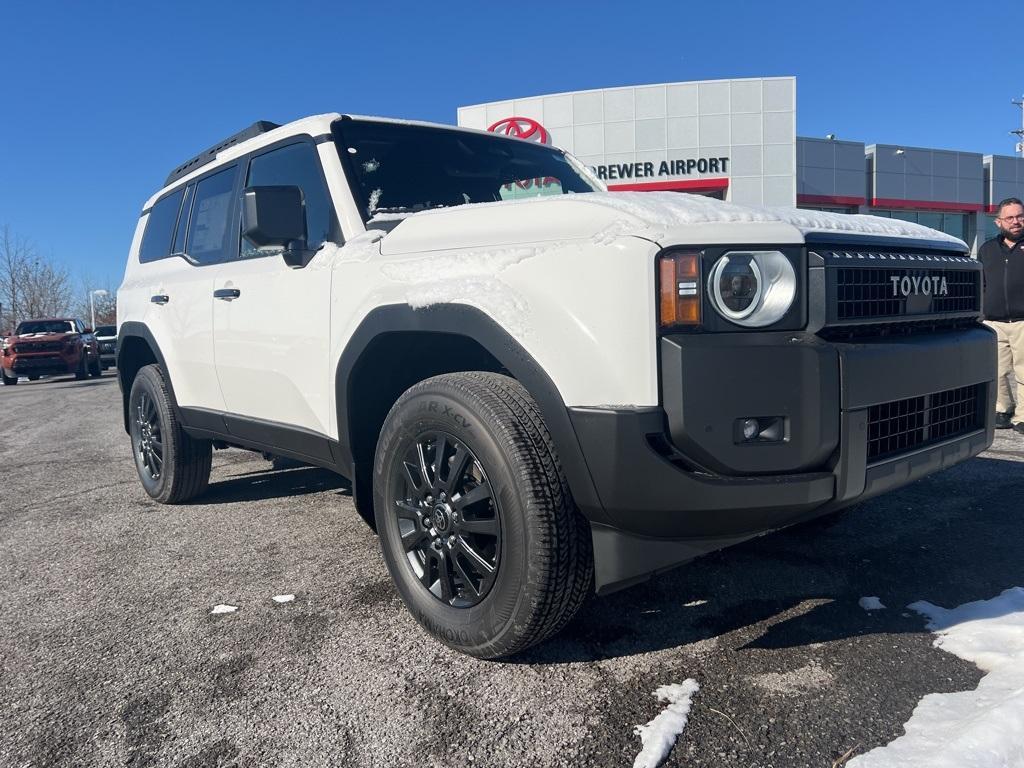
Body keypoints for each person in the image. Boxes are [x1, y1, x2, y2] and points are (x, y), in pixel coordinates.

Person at [979, 197, 1024, 434]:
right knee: (997, 370)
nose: (1016, 221)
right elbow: (981, 284)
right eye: (1010, 217)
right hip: (993, 321)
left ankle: (1022, 417)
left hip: (1023, 322)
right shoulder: (987, 249)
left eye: (1019, 216)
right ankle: (1003, 409)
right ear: (998, 222)